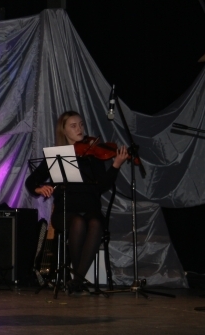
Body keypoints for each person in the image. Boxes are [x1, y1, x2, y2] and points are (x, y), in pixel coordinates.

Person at [25, 110, 130, 294]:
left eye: (81, 124)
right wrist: (39, 188)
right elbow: (31, 181)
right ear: (64, 130)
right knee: (78, 222)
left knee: (95, 222)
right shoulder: (57, 156)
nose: (79, 128)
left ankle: (76, 280)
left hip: (90, 209)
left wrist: (116, 165)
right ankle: (78, 280)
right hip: (65, 211)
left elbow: (101, 186)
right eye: (73, 126)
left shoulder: (93, 155)